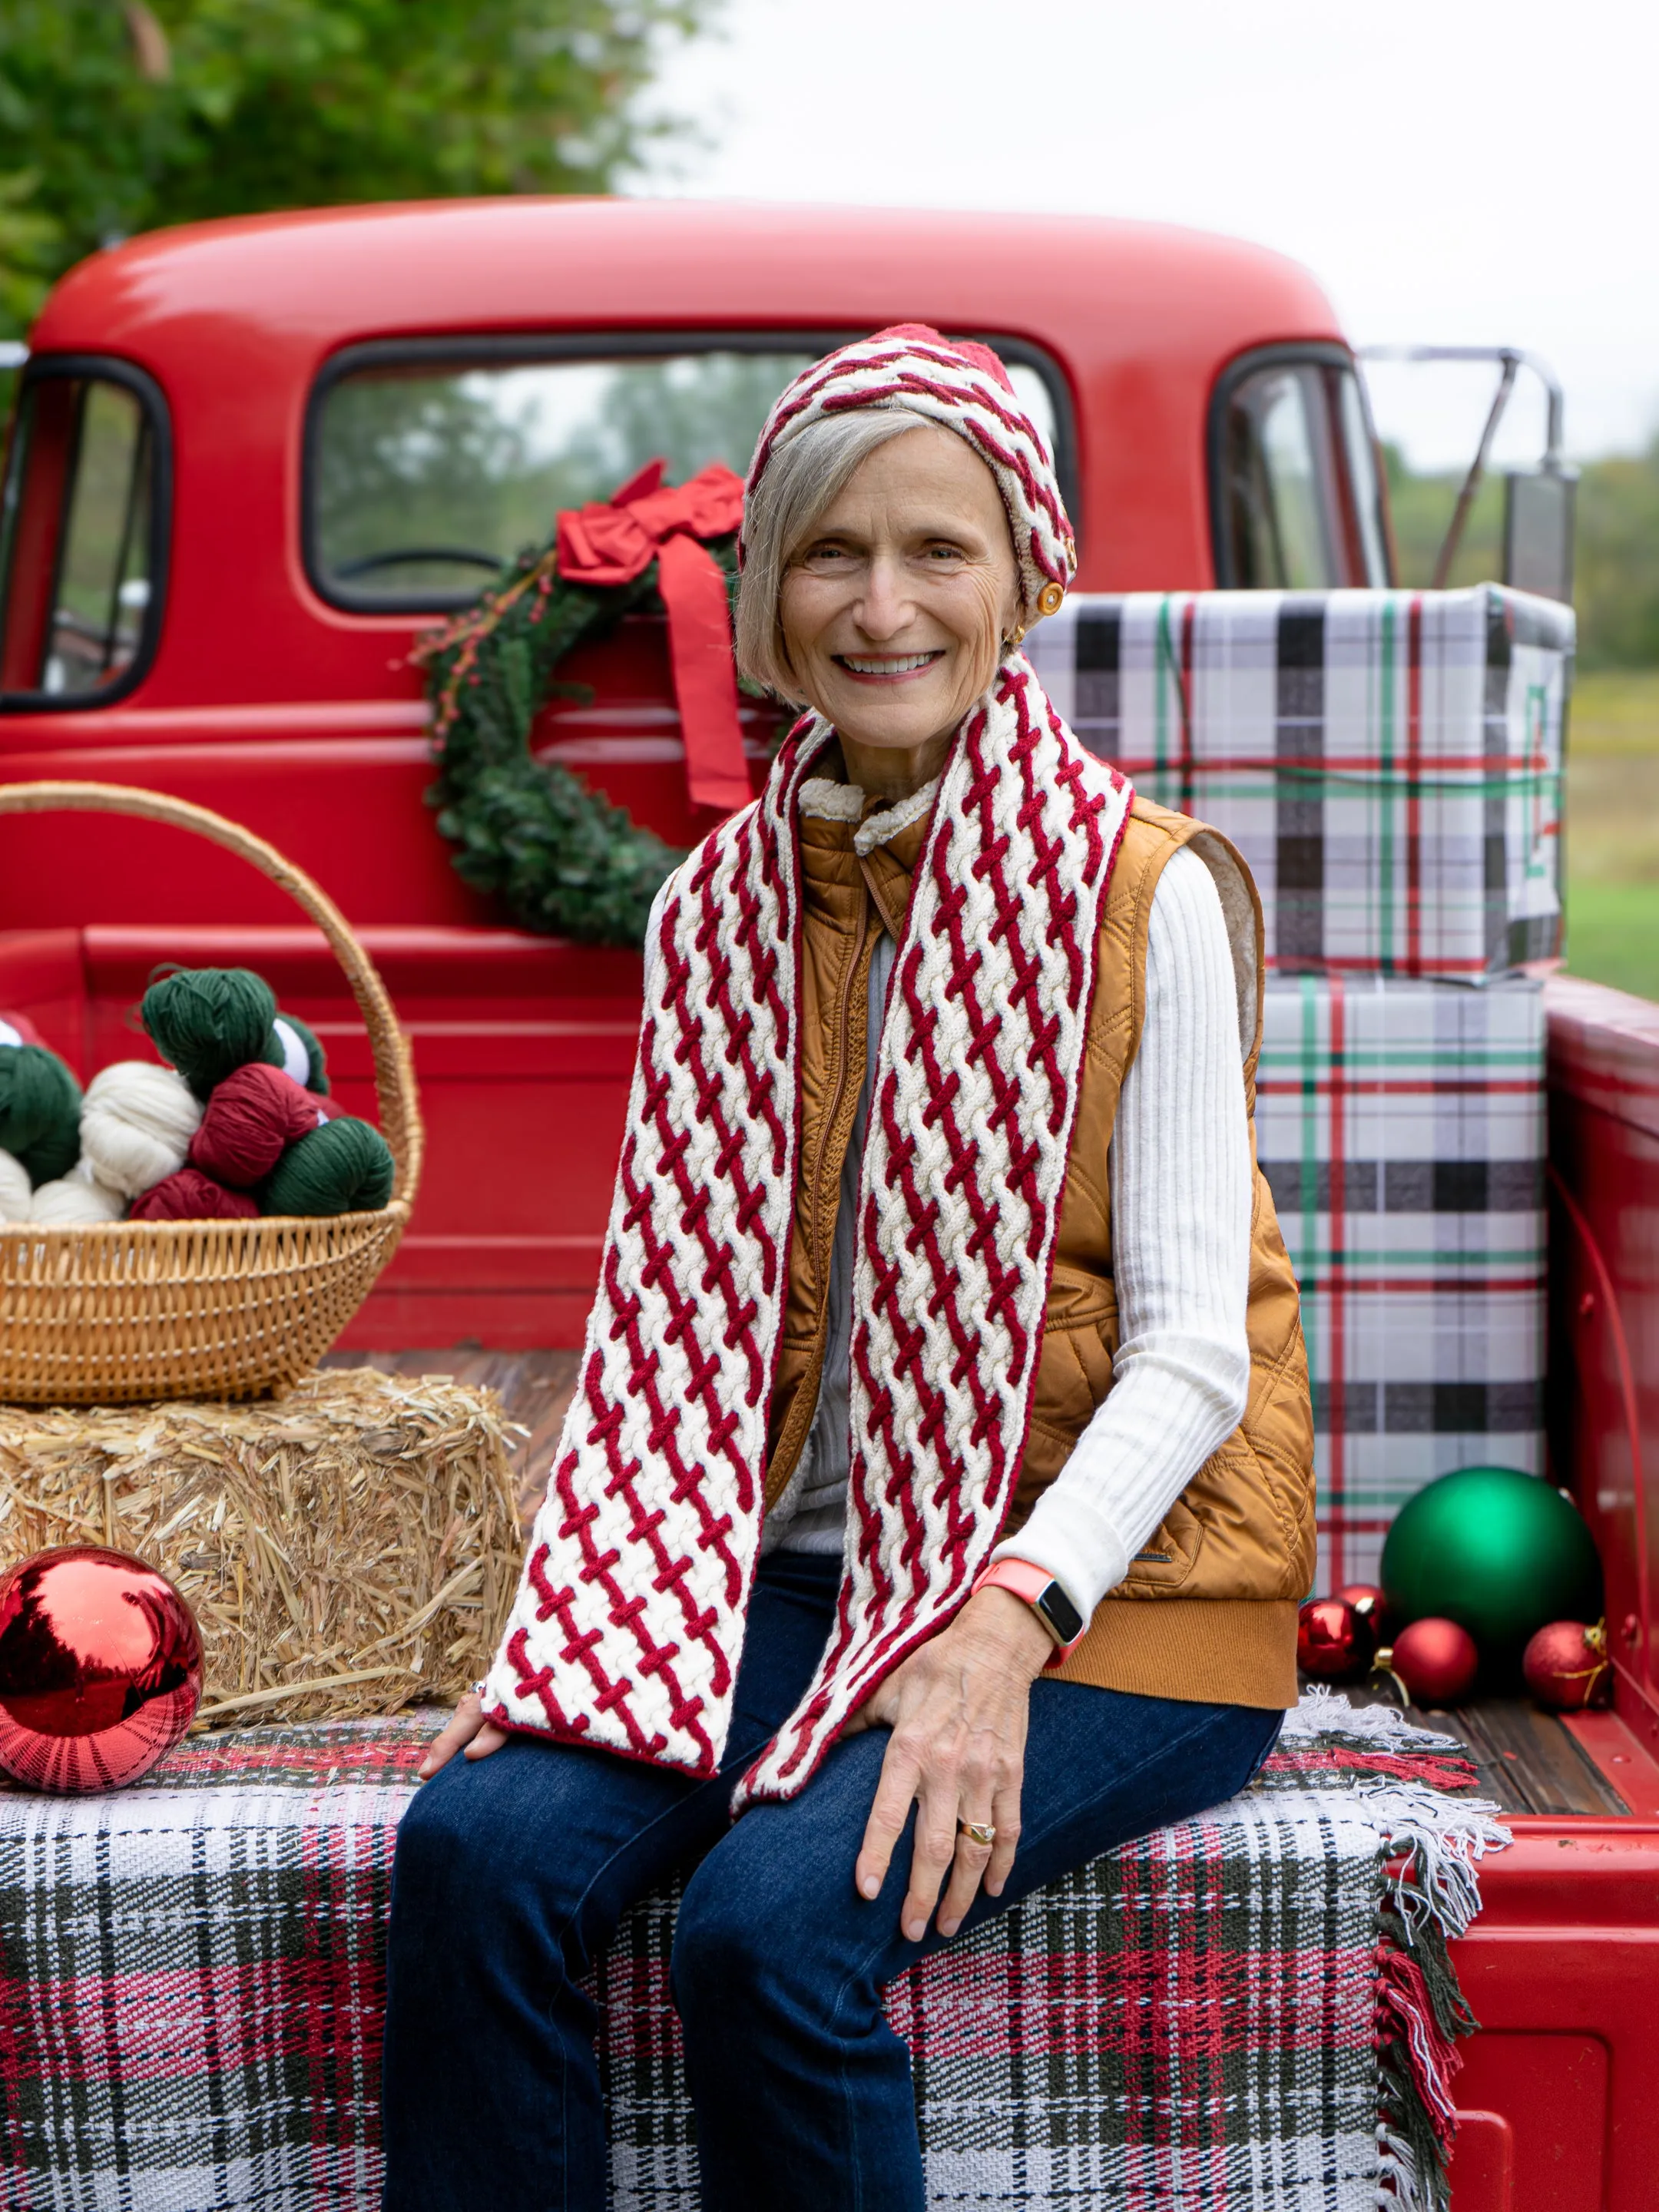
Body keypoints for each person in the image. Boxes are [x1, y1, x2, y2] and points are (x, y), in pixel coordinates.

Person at [381, 326, 1315, 2212]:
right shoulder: (712, 911)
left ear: (1025, 580)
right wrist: (588, 1619)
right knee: (475, 1857)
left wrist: (999, 1629)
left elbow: (1196, 1356)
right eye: (830, 553)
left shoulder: (1152, 892)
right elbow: (679, 1333)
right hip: (798, 1578)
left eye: (937, 551)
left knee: (768, 1937)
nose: (882, 605)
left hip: (1114, 1595)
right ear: (770, 596)